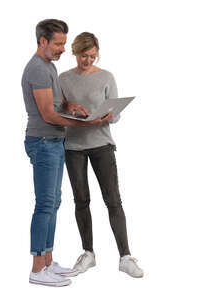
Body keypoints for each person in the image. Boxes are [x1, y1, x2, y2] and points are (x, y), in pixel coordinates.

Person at [22, 20, 112, 287]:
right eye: (58, 43)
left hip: (54, 142)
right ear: (43, 42)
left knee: (54, 203)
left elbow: (58, 104)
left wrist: (71, 105)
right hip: (44, 141)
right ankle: (37, 268)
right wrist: (87, 123)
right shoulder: (38, 69)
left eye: (64, 43)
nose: (63, 48)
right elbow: (49, 114)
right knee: (44, 205)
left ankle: (48, 261)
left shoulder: (49, 67)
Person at [59, 32, 144, 278]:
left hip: (101, 144)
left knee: (113, 200)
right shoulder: (63, 79)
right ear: (75, 52)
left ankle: (125, 256)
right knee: (81, 200)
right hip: (73, 146)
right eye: (84, 56)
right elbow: (58, 109)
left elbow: (115, 113)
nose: (88, 60)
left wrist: (110, 116)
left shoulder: (107, 77)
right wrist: (71, 111)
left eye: (93, 56)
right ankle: (88, 253)